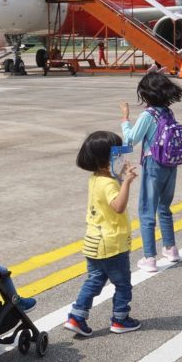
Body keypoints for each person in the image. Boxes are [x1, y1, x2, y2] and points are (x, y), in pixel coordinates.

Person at [65, 131, 141, 336]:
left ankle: (77, 315)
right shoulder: (109, 183)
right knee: (123, 284)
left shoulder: (96, 178)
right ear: (106, 159)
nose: (122, 158)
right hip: (111, 244)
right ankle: (120, 319)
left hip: (93, 241)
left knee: (94, 280)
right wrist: (126, 182)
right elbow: (118, 206)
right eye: (118, 154)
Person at [121, 73, 182, 272]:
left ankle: (149, 258)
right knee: (164, 206)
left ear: (146, 94)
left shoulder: (148, 115)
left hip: (153, 163)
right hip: (170, 164)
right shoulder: (168, 112)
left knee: (146, 209)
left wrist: (125, 119)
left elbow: (131, 140)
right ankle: (171, 248)